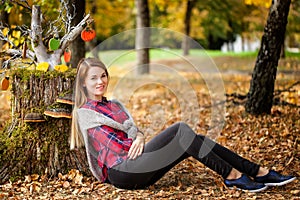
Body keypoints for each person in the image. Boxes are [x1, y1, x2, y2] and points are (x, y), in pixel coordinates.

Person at [70, 57, 296, 193]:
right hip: (122, 172)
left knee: (194, 139)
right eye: (93, 78)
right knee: (182, 132)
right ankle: (239, 175)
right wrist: (136, 139)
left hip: (134, 160)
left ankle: (252, 171)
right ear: (83, 83)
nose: (100, 82)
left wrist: (139, 137)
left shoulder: (114, 105)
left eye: (103, 76)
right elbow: (120, 148)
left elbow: (133, 132)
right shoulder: (86, 114)